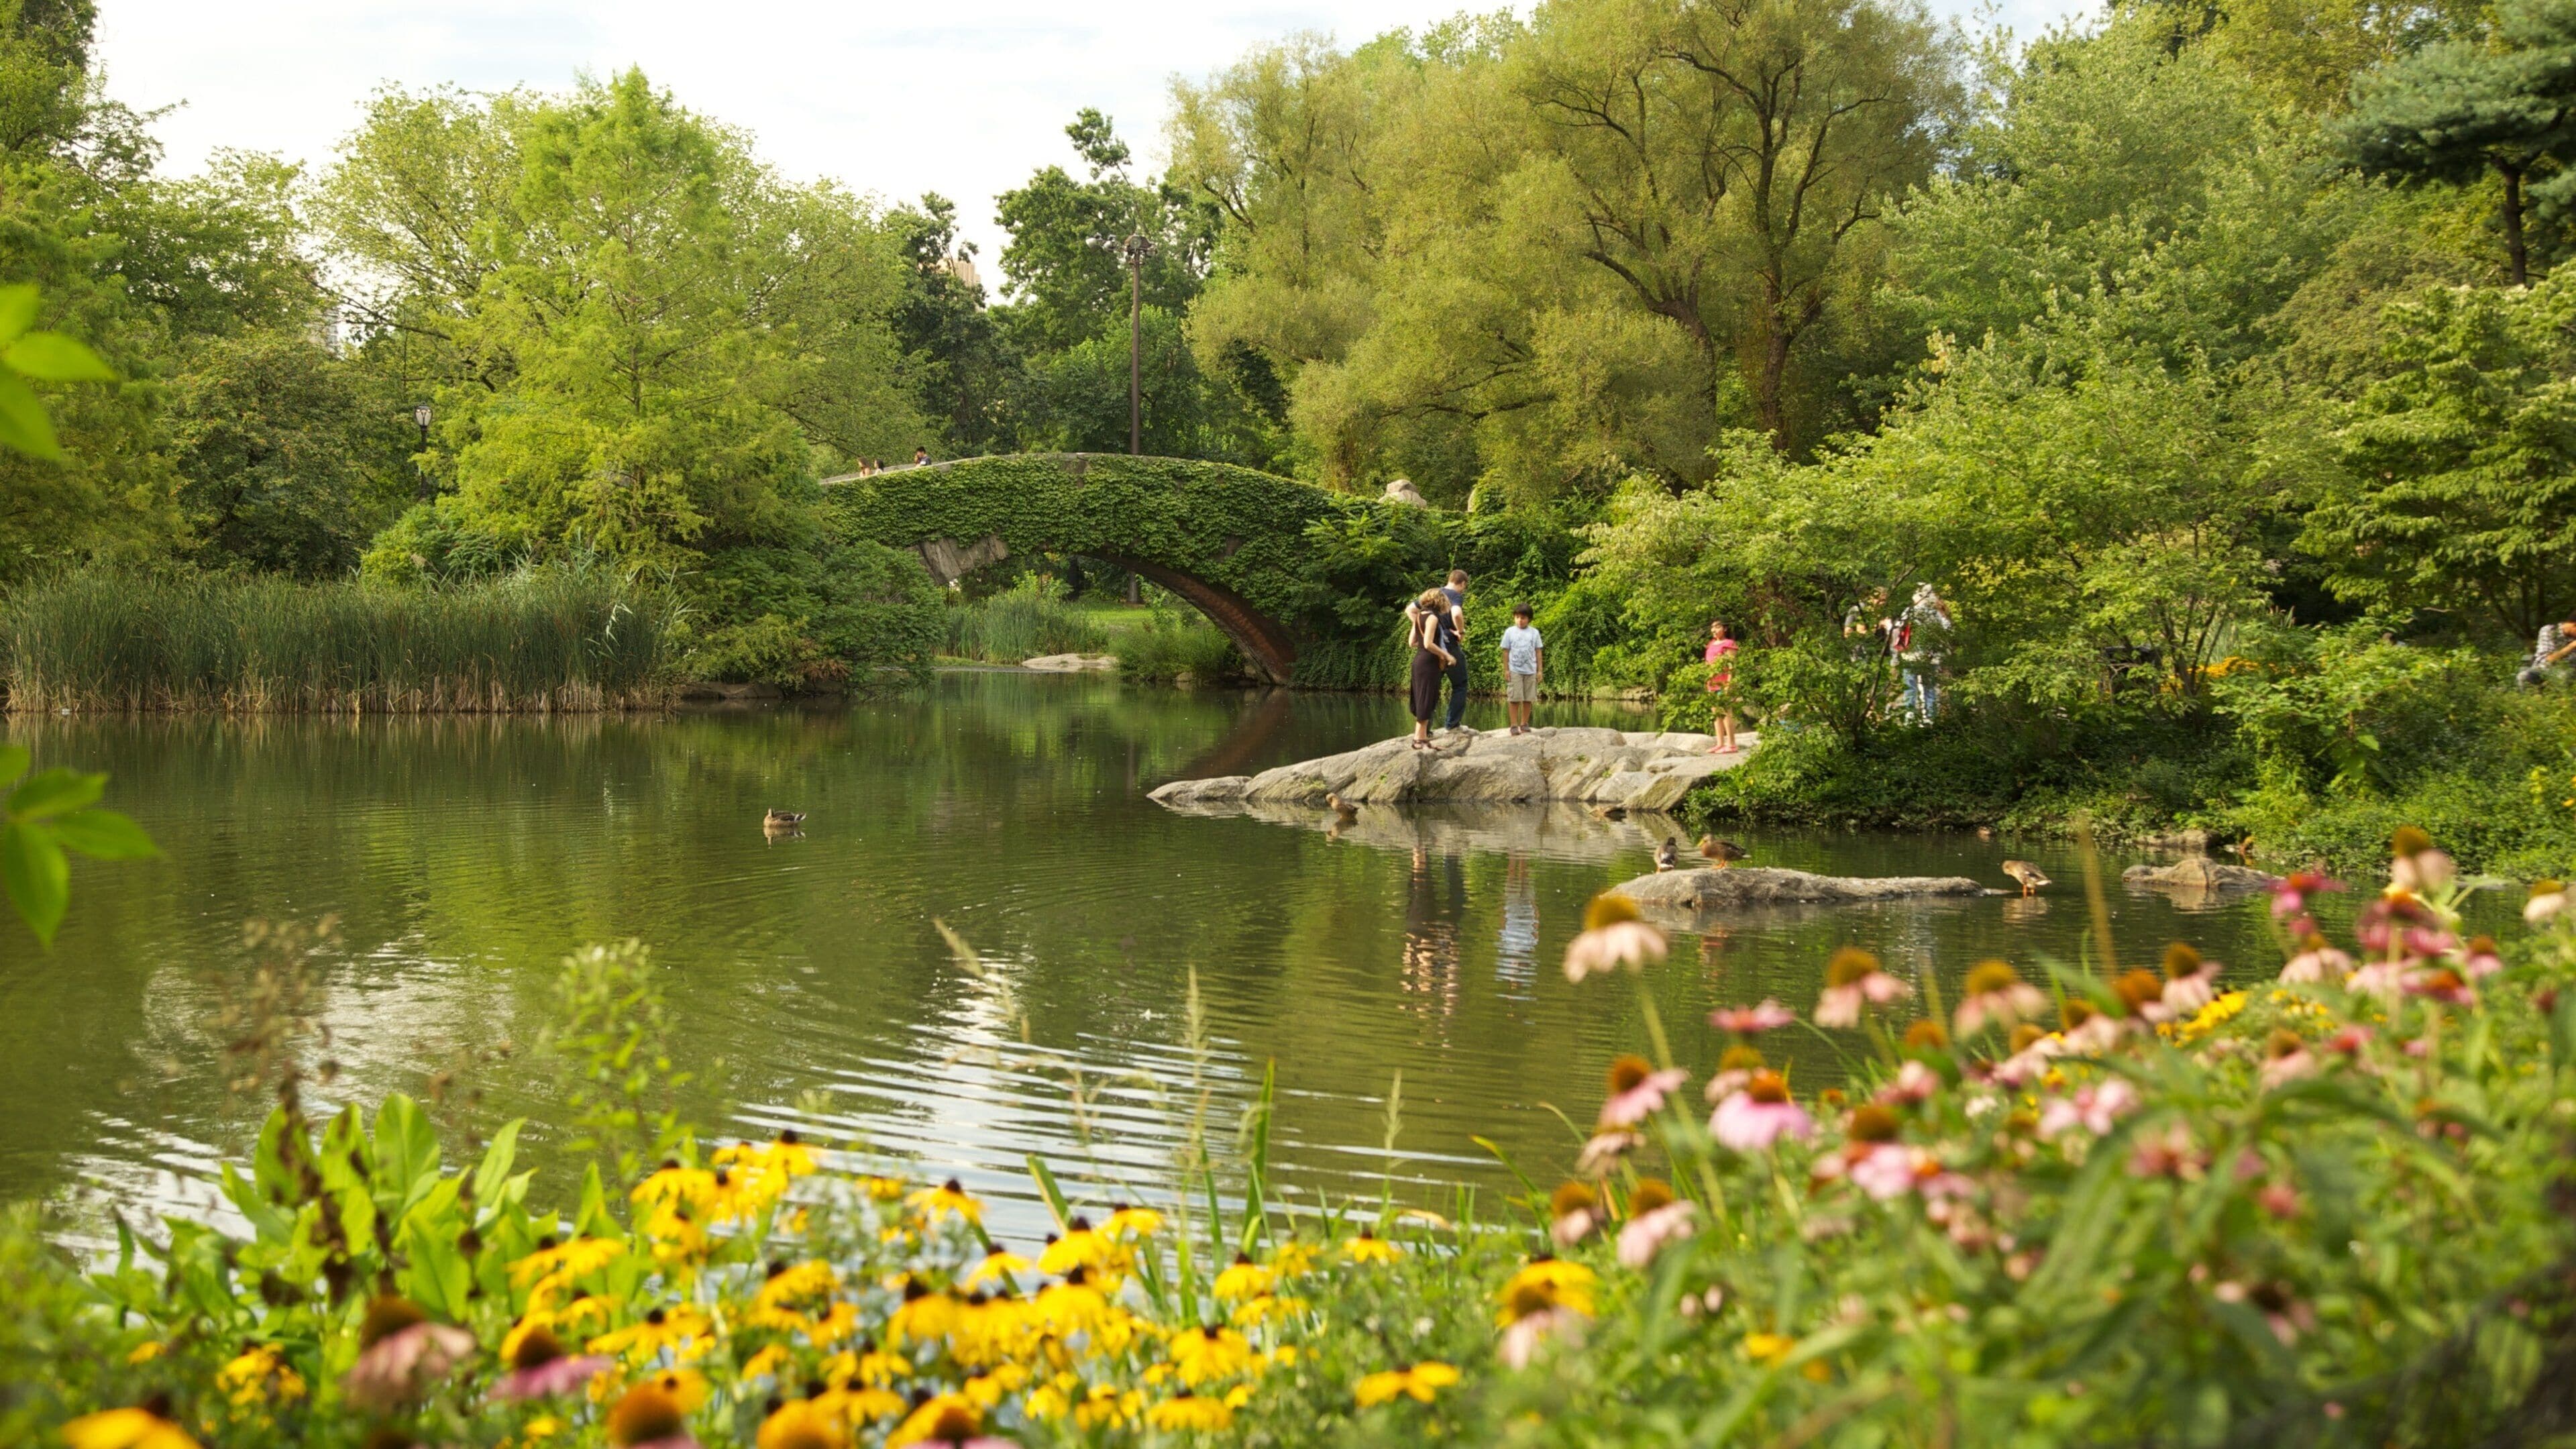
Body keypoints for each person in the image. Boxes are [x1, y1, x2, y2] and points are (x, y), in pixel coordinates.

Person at [1405, 569, 1473, 733]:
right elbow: (1457, 614)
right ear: (1462, 583)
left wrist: (1423, 628)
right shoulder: (1455, 595)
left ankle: (1425, 731)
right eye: (1464, 586)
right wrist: (1461, 631)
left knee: (1431, 688)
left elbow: (1409, 610)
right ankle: (1452, 725)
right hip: (1448, 646)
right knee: (1460, 684)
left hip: (1430, 652)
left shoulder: (1433, 594)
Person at [1407, 588, 1456, 749]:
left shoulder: (1419, 616)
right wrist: (1447, 656)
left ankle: (1420, 738)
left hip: (1419, 661)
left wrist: (1425, 645)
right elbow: (1429, 643)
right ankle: (1418, 739)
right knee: (1426, 699)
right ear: (1440, 601)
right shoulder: (1433, 618)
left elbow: (1412, 642)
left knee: (1423, 699)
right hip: (1429, 663)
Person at [1897, 584, 1951, 725]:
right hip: (1931, 657)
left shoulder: (1910, 611)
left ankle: (1910, 720)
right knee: (1930, 688)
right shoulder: (1934, 613)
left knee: (1910, 688)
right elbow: (1948, 628)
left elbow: (1898, 628)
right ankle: (1931, 719)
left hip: (1911, 656)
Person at [1499, 603, 1544, 735]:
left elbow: (1538, 652)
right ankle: (1513, 725)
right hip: (1515, 670)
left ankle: (1524, 723)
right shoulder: (1510, 632)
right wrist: (1506, 669)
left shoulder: (1534, 633)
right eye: (1517, 617)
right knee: (1514, 698)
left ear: (1529, 619)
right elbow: (1506, 651)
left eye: (1523, 618)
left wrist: (1540, 671)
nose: (1520, 620)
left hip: (1530, 671)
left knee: (1528, 698)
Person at [1704, 620, 1741, 754]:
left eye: (1717, 627)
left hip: (1723, 683)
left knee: (1726, 713)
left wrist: (1729, 685)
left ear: (1725, 628)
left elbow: (1731, 666)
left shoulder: (1729, 644)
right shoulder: (1711, 644)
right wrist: (1706, 681)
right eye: (1712, 627)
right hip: (1712, 684)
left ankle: (1731, 745)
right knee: (1716, 714)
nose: (1714, 630)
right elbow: (1708, 665)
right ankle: (1720, 744)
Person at [2522, 619, 2576, 688]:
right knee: (2528, 675)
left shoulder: (2573, 637)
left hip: (2568, 674)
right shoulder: (2550, 631)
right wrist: (2571, 646)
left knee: (2567, 676)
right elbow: (2549, 659)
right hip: (2543, 671)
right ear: (2574, 625)